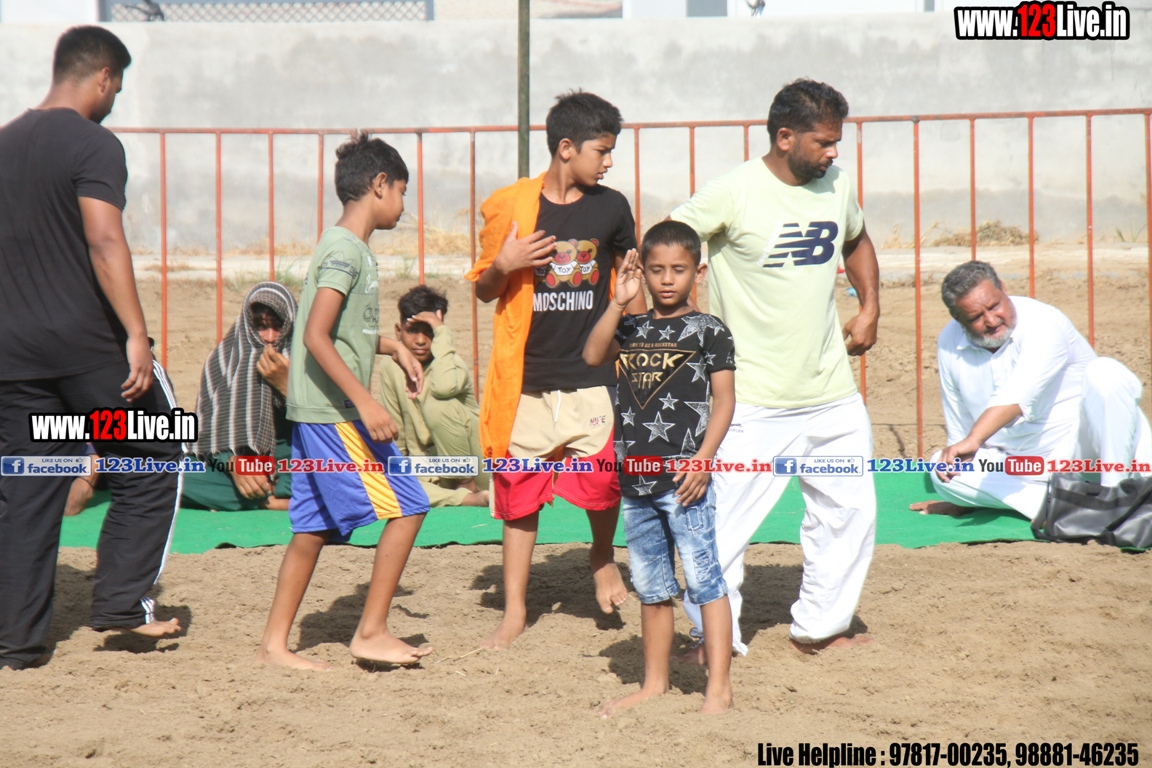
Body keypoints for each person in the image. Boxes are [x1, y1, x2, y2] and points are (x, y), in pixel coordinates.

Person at [670, 79, 881, 656]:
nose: (834, 152)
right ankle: (710, 638)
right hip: (750, 400)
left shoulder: (836, 185)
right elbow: (665, 246)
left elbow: (857, 239)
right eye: (823, 142)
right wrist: (682, 326)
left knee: (849, 515)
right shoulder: (732, 192)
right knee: (721, 528)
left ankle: (821, 629)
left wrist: (870, 306)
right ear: (785, 137)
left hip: (831, 393)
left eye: (837, 141)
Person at [0, 27, 185, 669]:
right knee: (157, 453)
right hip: (88, 350)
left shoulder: (4, 143)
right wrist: (135, 332)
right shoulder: (93, 143)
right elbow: (104, 240)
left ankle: (17, 643)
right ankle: (122, 604)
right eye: (118, 88)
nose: (114, 100)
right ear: (103, 76)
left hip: (13, 357)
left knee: (27, 489)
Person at [467, 90, 648, 650]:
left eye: (612, 151)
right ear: (566, 148)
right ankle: (515, 611)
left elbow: (631, 284)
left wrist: (644, 355)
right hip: (528, 381)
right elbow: (484, 290)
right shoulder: (514, 208)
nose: (609, 161)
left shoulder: (612, 208)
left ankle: (601, 556)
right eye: (602, 150)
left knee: (604, 482)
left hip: (595, 375)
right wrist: (504, 264)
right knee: (519, 496)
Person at [254, 132, 431, 670]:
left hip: (316, 413)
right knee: (410, 505)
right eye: (402, 191)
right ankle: (371, 631)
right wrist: (367, 404)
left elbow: (342, 332)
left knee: (311, 529)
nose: (403, 205)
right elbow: (314, 335)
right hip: (337, 415)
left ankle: (274, 645)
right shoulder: (345, 251)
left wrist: (393, 347)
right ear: (380, 184)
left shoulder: (347, 248)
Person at [584, 222, 735, 716]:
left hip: (686, 482)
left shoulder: (710, 330)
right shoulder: (631, 328)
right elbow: (592, 355)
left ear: (698, 272)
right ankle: (654, 684)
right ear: (642, 273)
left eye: (678, 269)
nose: (667, 279)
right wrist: (617, 301)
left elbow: (725, 400)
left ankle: (719, 688)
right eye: (656, 270)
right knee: (651, 588)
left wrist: (703, 460)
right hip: (635, 483)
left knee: (704, 581)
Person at [910, 260, 1152, 519]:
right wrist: (957, 479)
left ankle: (1115, 495)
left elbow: (1017, 395)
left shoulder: (1043, 321)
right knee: (940, 468)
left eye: (994, 306)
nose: (991, 320)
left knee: (1106, 373)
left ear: (1003, 288)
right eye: (976, 317)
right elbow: (959, 426)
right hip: (1024, 467)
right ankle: (1095, 506)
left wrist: (975, 439)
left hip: (1089, 454)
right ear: (958, 319)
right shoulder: (948, 342)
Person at [183, 282, 297, 511]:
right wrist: (233, 463)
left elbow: (323, 427)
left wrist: (287, 385)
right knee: (167, 471)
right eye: (261, 327)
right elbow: (209, 435)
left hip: (291, 460)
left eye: (278, 327)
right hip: (235, 462)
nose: (270, 338)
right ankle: (270, 499)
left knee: (334, 471)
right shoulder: (223, 360)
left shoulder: (307, 360)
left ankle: (259, 497)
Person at [376, 285, 489, 507]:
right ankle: (466, 499)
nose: (420, 340)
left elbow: (444, 389)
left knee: (438, 404)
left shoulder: (452, 364)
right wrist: (398, 472)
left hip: (474, 468)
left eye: (429, 332)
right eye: (412, 331)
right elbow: (397, 432)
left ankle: (466, 485)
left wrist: (442, 333)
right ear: (398, 331)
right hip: (427, 471)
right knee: (384, 480)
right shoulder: (390, 367)